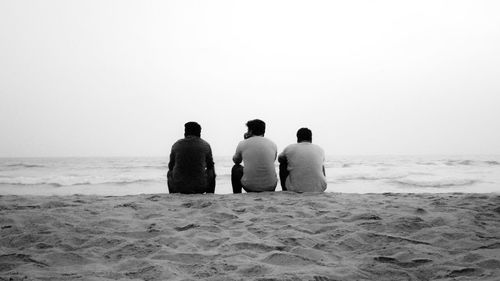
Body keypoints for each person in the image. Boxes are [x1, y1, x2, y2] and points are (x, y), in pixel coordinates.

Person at [167, 122, 216, 194]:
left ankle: (172, 194)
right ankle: (210, 194)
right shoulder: (205, 145)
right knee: (211, 170)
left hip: (178, 187)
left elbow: (170, 166)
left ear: (185, 132)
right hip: (200, 187)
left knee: (169, 172)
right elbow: (210, 165)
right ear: (199, 133)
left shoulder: (176, 145)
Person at [231, 119, 278, 193]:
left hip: (250, 187)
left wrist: (245, 140)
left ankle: (237, 194)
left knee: (236, 168)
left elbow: (236, 160)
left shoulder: (242, 143)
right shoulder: (273, 144)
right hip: (271, 187)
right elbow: (273, 160)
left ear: (250, 131)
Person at [278, 127, 327, 192]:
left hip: (295, 189)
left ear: (297, 138)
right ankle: (320, 184)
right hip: (320, 188)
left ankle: (284, 189)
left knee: (283, 163)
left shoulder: (290, 147)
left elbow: (280, 159)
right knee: (321, 165)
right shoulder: (320, 149)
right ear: (311, 138)